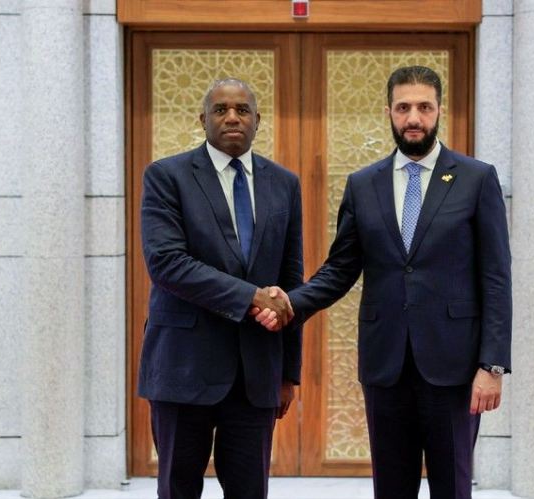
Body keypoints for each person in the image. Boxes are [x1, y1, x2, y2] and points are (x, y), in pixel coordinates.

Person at [256, 66, 512, 499]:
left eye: (424, 107)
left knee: (453, 486)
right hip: (385, 365)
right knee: (391, 488)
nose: (414, 118)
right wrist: (291, 303)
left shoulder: (476, 178)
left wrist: (493, 366)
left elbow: (496, 278)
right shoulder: (363, 185)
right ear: (389, 112)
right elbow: (340, 269)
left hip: (454, 365)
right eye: (403, 107)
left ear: (439, 111)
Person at [138, 78, 303, 499]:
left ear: (257, 120)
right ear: (203, 119)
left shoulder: (284, 184)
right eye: (221, 109)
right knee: (178, 489)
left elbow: (290, 282)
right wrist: (250, 297)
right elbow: (167, 264)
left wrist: (288, 373)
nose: (232, 117)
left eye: (242, 110)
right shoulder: (166, 177)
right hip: (182, 367)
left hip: (255, 373)